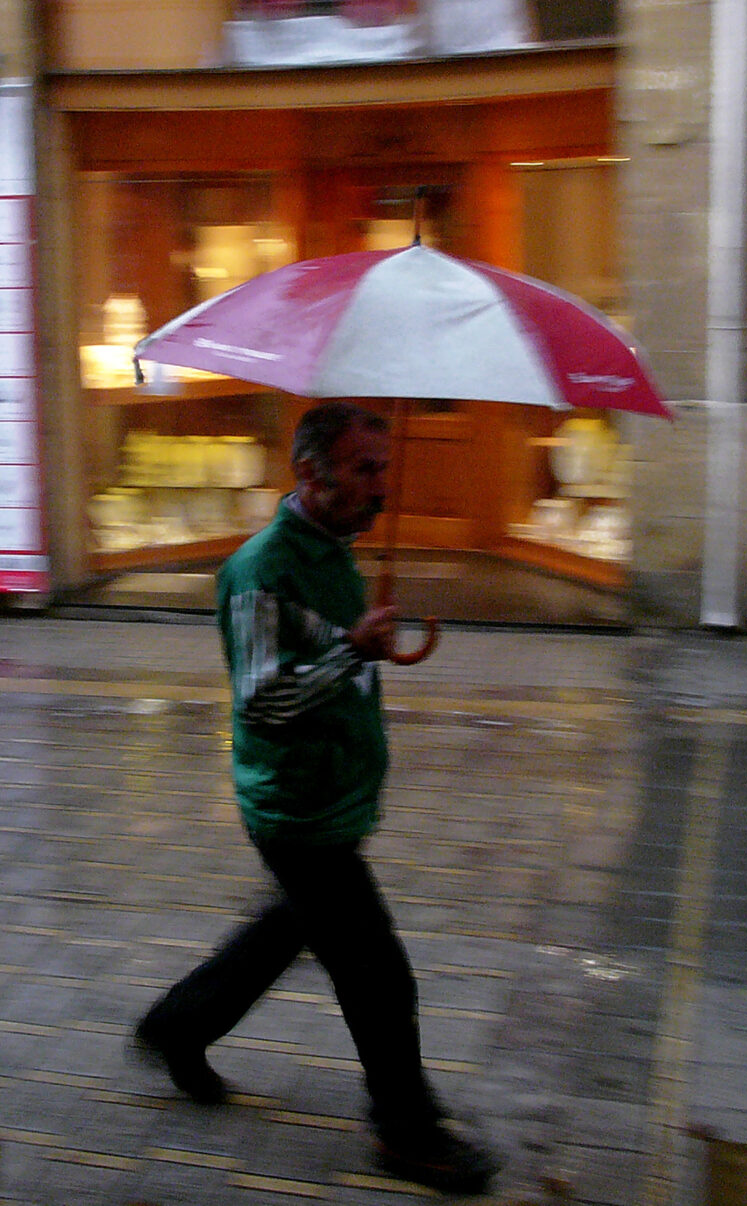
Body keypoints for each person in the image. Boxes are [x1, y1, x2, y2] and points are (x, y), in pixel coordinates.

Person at [133, 400, 498, 1196]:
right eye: (365, 470)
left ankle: (178, 1026)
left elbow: (331, 650)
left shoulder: (334, 547)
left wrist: (365, 649)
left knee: (284, 930)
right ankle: (407, 1130)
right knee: (377, 973)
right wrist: (350, 655)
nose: (381, 488)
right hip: (296, 812)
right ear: (311, 472)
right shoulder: (262, 572)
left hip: (332, 797)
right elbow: (260, 701)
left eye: (383, 469)